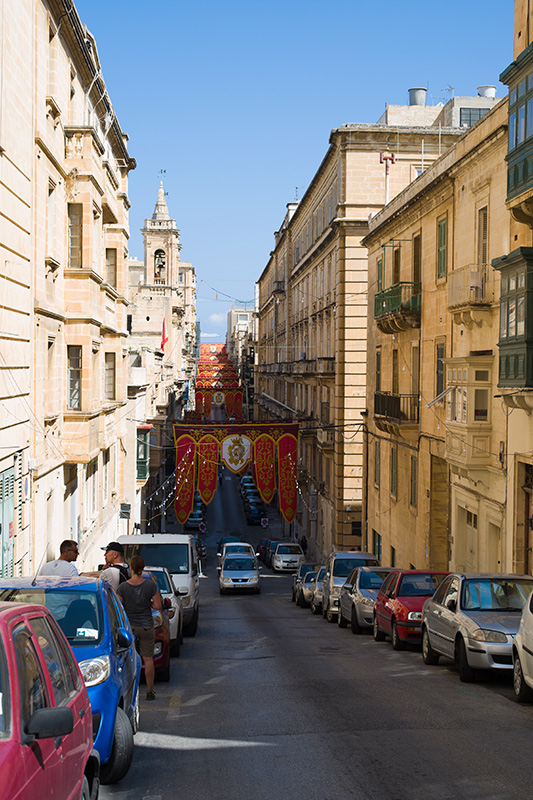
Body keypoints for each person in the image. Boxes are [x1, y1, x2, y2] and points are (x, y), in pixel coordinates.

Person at [117, 555, 162, 701]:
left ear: (130, 568)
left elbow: (118, 606)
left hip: (130, 627)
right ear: (142, 569)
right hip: (147, 626)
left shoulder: (123, 587)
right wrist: (147, 603)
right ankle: (150, 691)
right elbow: (158, 606)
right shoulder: (150, 586)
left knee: (130, 659)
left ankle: (131, 689)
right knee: (148, 659)